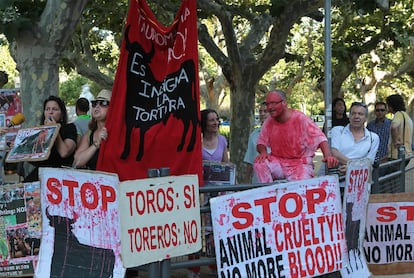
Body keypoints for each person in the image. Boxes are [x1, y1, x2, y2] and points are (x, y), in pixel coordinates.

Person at [254, 90, 338, 182]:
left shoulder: (300, 118)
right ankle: (268, 192)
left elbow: (320, 138)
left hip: (300, 163)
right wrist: (263, 152)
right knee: (260, 163)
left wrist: (328, 155)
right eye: (268, 104)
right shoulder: (269, 121)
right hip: (278, 161)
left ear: (284, 103)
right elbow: (261, 142)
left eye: (273, 103)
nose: (270, 107)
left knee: (300, 186)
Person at [24, 96, 77, 182]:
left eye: (55, 109)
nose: (50, 112)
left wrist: (54, 129)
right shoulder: (39, 132)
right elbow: (35, 160)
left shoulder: (69, 128)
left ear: (62, 114)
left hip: (61, 175)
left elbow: (64, 152)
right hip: (42, 174)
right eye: (47, 109)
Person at [331, 102, 379, 176]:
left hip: (359, 183)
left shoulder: (373, 138)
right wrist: (355, 166)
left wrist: (351, 168)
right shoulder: (337, 131)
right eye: (353, 113)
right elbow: (334, 153)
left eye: (360, 114)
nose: (356, 116)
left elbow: (369, 163)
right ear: (349, 116)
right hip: (336, 181)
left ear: (366, 118)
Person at [73, 90, 111, 170]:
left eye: (103, 103)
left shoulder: (119, 133)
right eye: (94, 103)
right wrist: (96, 144)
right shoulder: (89, 134)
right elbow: (77, 162)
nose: (97, 106)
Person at [243, 102, 269, 183]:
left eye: (265, 111)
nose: (262, 114)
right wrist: (246, 182)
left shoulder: (282, 133)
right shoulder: (254, 135)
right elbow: (250, 161)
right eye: (260, 111)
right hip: (258, 182)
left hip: (278, 183)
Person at [386, 94, 413, 162]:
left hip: (397, 155)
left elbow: (393, 127)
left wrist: (395, 141)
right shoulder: (406, 116)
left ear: (391, 106)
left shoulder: (398, 115)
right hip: (406, 153)